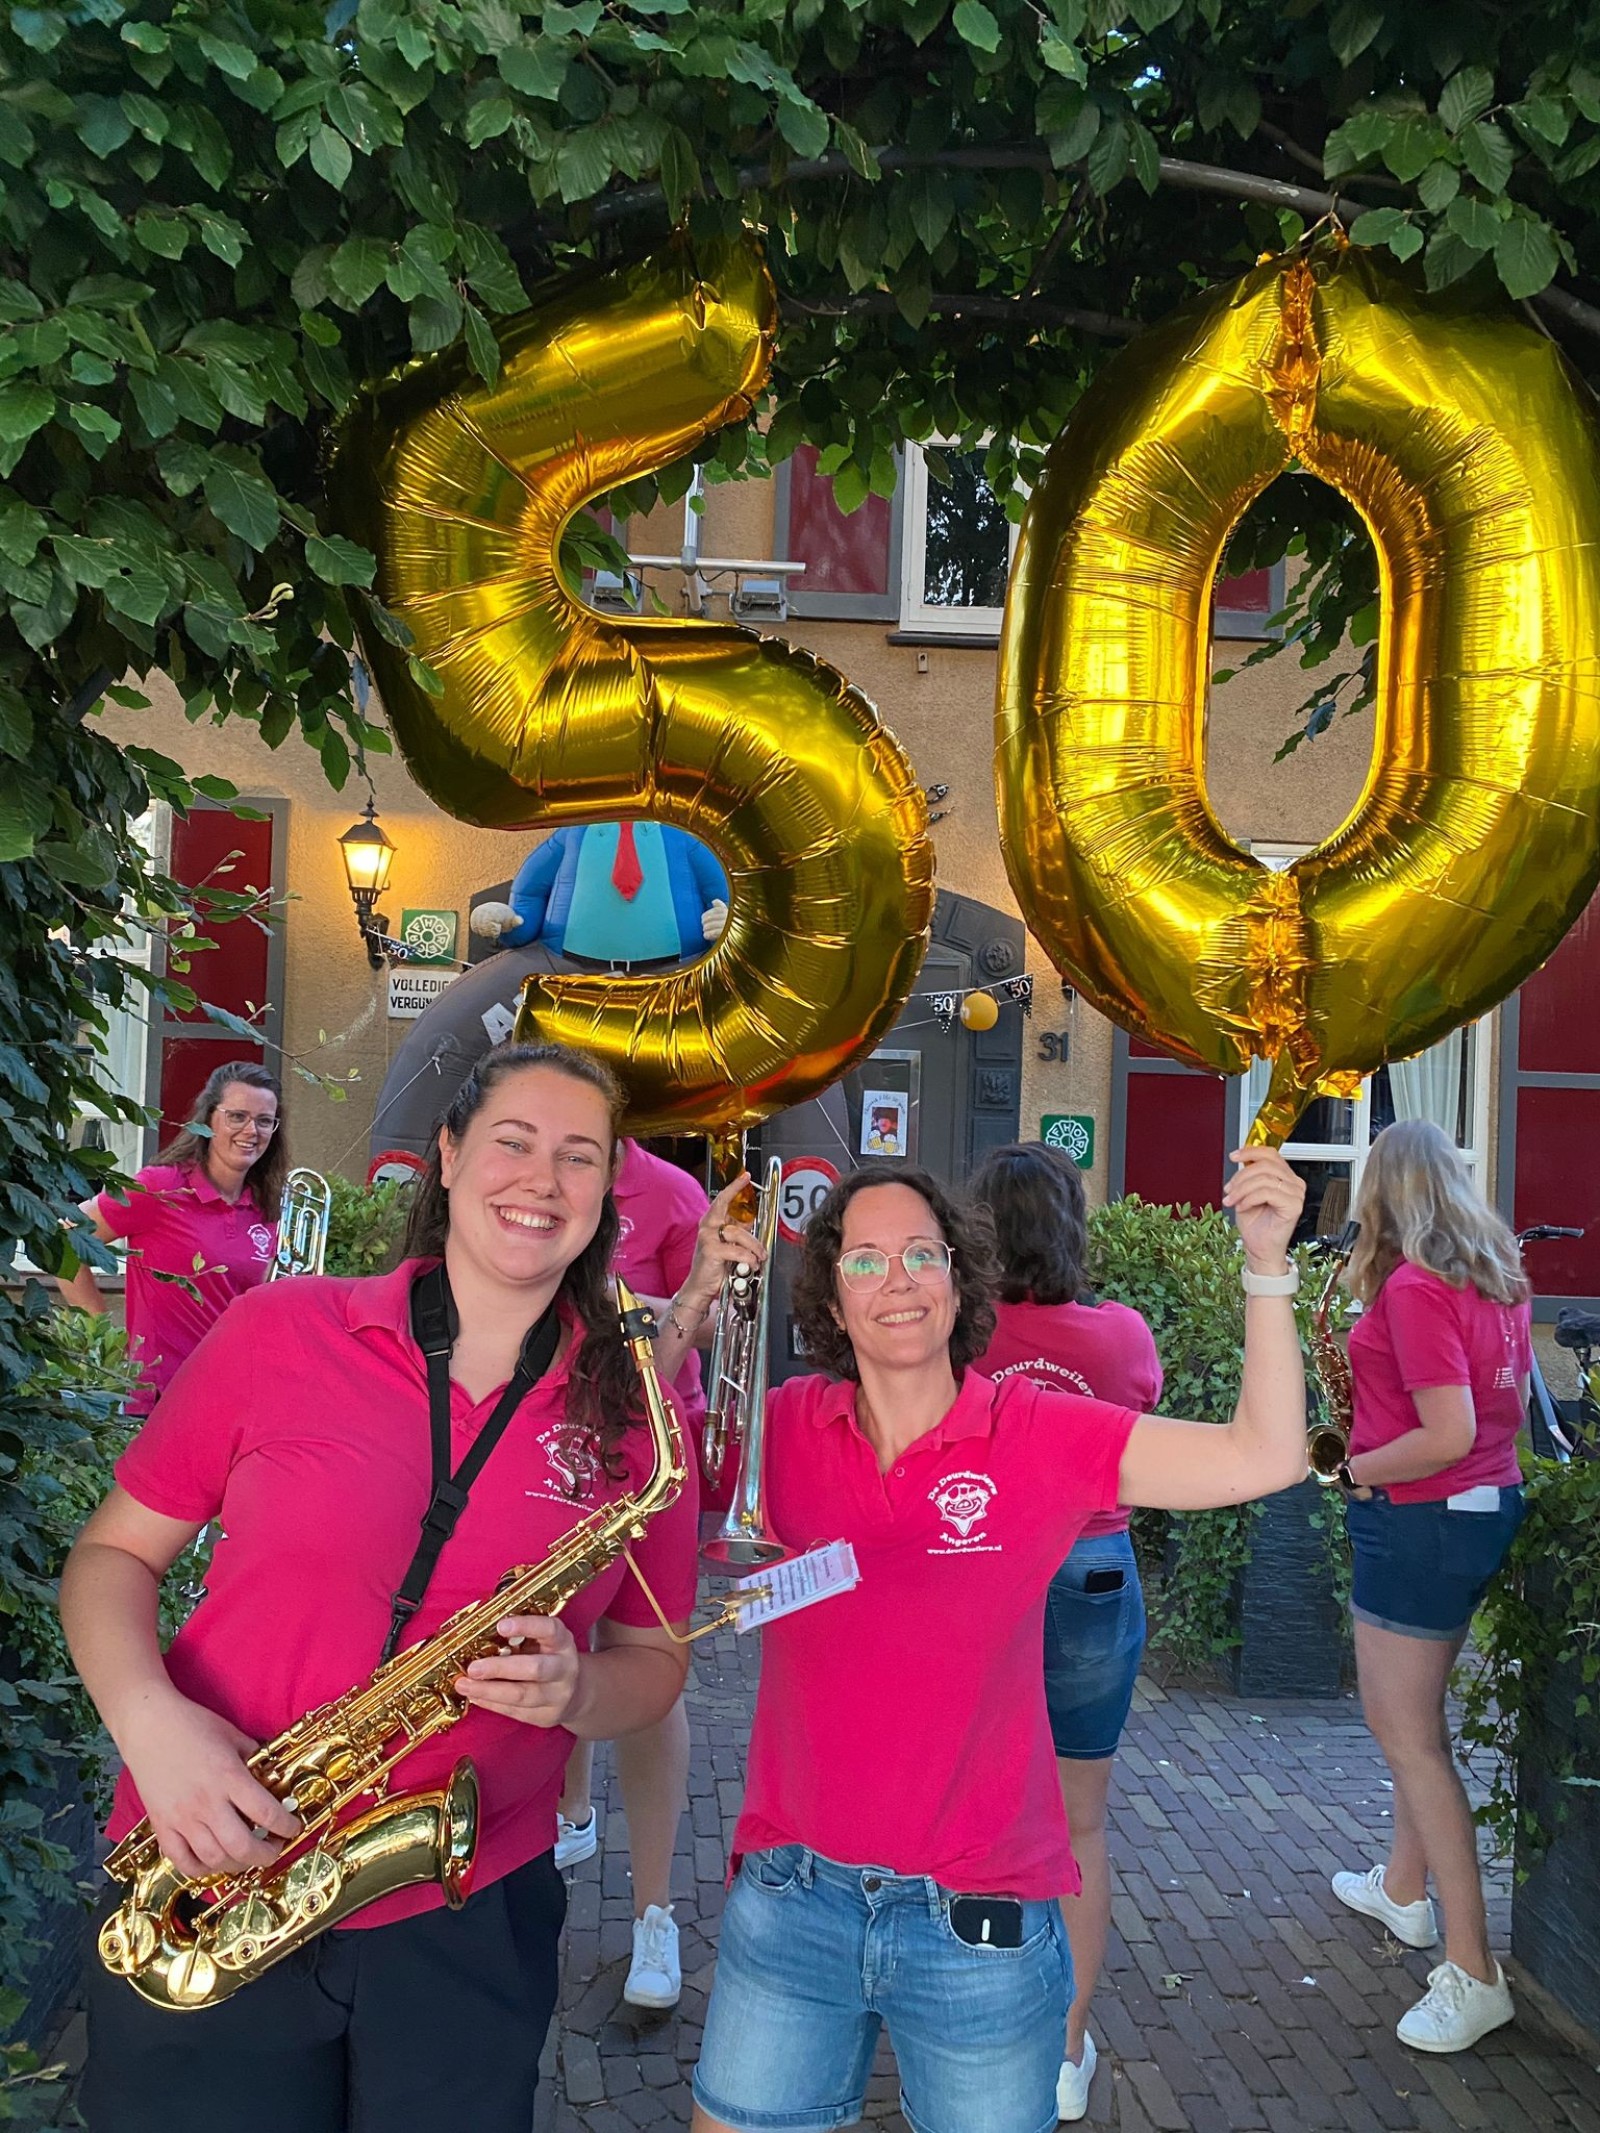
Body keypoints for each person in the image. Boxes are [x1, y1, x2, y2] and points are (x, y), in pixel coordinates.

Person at [60, 1042, 699, 2133]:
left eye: (579, 1157)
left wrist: (581, 1692)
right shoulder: (280, 1329)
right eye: (513, 1141)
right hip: (207, 1863)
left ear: (609, 1194)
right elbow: (110, 1558)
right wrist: (151, 1726)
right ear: (447, 1155)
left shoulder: (642, 1416)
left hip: (466, 1912)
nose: (542, 1180)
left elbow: (653, 1662)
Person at [649, 1144, 1307, 2133]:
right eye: (864, 1259)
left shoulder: (1033, 1432)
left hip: (977, 1921)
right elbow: (620, 1444)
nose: (898, 1279)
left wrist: (1266, 1266)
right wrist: (700, 1294)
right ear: (831, 1300)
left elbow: (1264, 1455)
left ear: (959, 1281)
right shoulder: (779, 1427)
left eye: (922, 1253)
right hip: (791, 1899)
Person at [968, 1141, 1163, 2122]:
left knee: (977, 1809)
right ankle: (1066, 2048)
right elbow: (1145, 1411)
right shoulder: (1120, 1334)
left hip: (984, 1575)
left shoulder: (963, 1330)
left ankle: (972, 2025)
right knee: (1080, 1822)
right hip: (1093, 1571)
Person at [1328, 1118, 1531, 2054]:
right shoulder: (1497, 1276)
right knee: (1422, 1725)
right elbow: (1494, 1417)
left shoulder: (1414, 1286)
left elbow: (1446, 1432)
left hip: (1419, 1517)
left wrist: (1355, 1468)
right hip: (1482, 1510)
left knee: (1407, 1738)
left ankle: (1473, 1971)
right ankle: (1404, 1890)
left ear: (1385, 1190)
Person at [556, 1133, 715, 2010]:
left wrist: (608, 1303)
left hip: (652, 1443)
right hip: (549, 1431)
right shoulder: (545, 1174)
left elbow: (709, 1320)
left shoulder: (674, 1191)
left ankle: (654, 1911)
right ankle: (568, 1815)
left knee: (649, 1665)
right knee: (556, 1640)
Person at [57, 1062, 286, 1417]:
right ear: (209, 1119)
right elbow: (66, 1240)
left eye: (264, 1120)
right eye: (237, 1116)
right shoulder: (161, 1187)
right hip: (160, 1400)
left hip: (229, 1397)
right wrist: (108, 1346)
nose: (251, 1131)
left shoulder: (264, 1205)